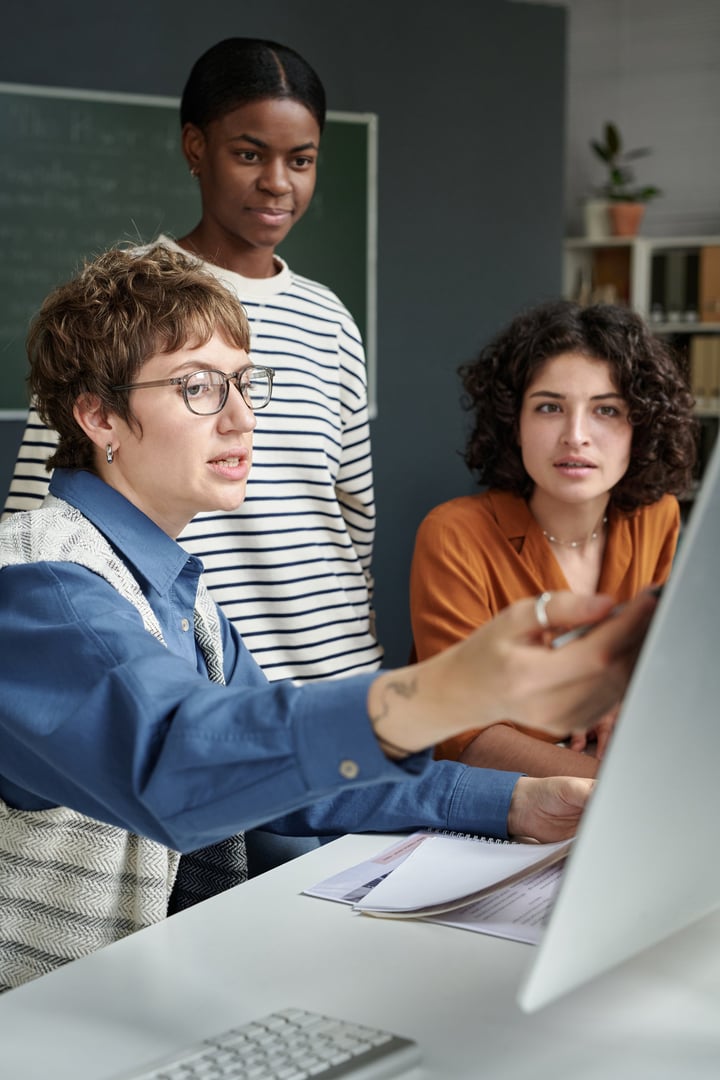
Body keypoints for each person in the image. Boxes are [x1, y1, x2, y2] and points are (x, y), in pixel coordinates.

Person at [0, 247, 656, 992]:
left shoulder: (180, 593)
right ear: (99, 415)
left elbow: (292, 774)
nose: (243, 417)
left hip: (152, 991)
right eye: (198, 389)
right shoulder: (39, 585)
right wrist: (446, 690)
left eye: (245, 385)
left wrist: (515, 802)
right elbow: (179, 766)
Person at [3, 37, 380, 871]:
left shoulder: (330, 319)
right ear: (195, 148)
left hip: (332, 682)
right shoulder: (125, 302)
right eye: (250, 153)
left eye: (302, 160)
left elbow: (352, 511)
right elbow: (48, 513)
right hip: (188, 708)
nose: (278, 182)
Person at [410, 299, 696, 777]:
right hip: (491, 811)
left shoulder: (656, 517)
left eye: (606, 410)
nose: (576, 435)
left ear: (639, 427)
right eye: (549, 407)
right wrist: (617, 787)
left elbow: (658, 673)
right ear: (514, 424)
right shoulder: (453, 535)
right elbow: (462, 734)